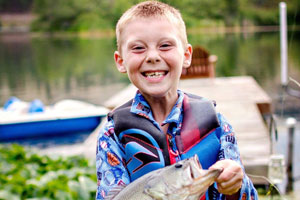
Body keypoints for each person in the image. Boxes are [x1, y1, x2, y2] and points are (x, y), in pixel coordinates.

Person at [96, 1, 258, 199]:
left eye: (165, 46)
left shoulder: (217, 124)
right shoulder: (112, 134)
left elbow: (246, 196)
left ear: (186, 55)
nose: (153, 56)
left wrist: (236, 184)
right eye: (138, 48)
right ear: (121, 61)